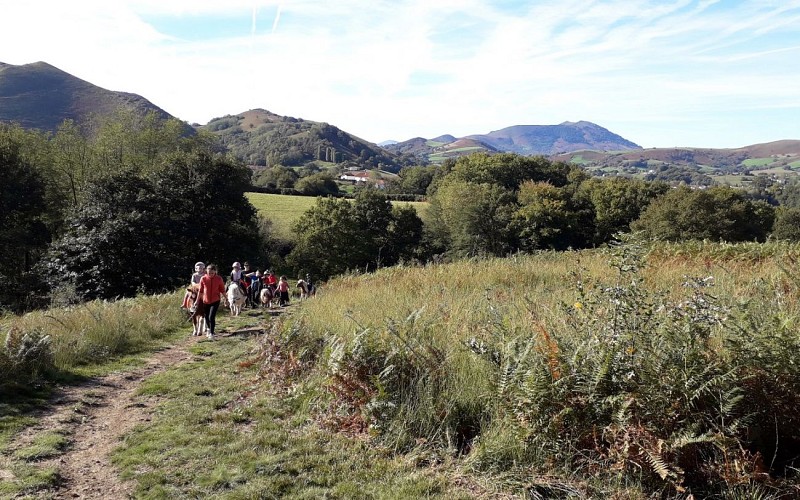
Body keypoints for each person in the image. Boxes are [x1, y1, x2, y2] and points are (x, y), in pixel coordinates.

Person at [195, 263, 226, 339]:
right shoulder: (203, 279)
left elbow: (222, 290)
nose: (211, 274)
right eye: (209, 273)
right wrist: (197, 301)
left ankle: (211, 333)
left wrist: (226, 298)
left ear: (215, 272)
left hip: (215, 300)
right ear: (206, 271)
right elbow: (200, 291)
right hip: (205, 301)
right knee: (206, 317)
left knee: (211, 316)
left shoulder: (219, 279)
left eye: (212, 273)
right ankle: (208, 329)